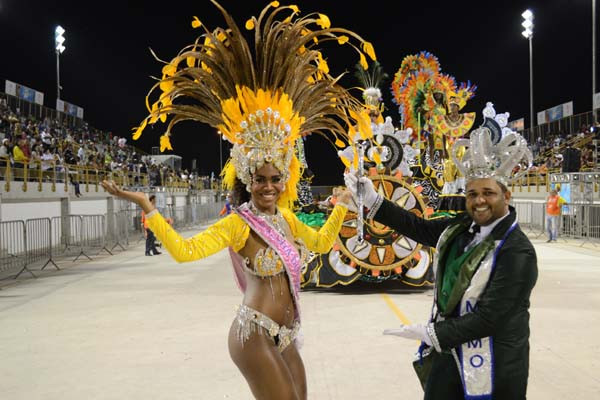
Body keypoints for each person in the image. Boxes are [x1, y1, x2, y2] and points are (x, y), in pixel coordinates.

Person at [102, 2, 375, 398]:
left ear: (284, 179)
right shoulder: (238, 222)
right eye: (260, 179)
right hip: (253, 334)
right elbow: (183, 251)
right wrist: (149, 208)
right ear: (247, 179)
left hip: (284, 334)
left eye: (274, 179)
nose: (267, 186)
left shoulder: (285, 218)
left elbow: (318, 244)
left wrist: (341, 206)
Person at [345, 124, 538, 399]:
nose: (479, 200)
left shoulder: (518, 252)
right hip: (449, 357)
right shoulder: (460, 227)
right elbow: (420, 228)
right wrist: (374, 200)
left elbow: (490, 318)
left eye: (488, 193)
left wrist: (430, 332)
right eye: (472, 194)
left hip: (495, 366)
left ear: (506, 195)